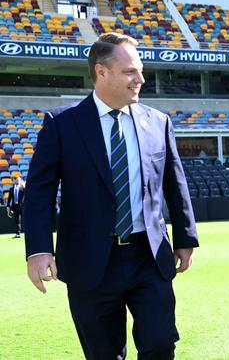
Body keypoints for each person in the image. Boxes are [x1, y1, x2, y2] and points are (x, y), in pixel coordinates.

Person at [23, 33, 198, 360]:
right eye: (130, 71)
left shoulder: (158, 122)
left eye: (141, 70)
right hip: (89, 261)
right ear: (101, 72)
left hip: (149, 256)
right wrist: (39, 249)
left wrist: (185, 238)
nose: (141, 79)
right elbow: (39, 193)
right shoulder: (62, 124)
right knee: (103, 354)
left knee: (161, 344)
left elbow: (175, 183)